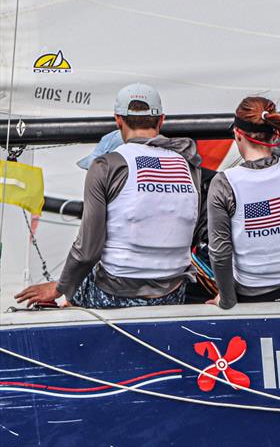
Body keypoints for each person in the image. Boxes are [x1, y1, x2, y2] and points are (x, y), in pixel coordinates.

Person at [15, 83, 202, 308]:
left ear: (118, 120)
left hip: (118, 294)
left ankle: (70, 315)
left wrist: (58, 288)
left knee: (79, 278)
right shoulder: (190, 165)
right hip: (173, 292)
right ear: (161, 120)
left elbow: (87, 251)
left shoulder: (105, 165)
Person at [206, 97, 280, 308]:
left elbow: (220, 252)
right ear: (275, 133)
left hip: (253, 296)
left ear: (238, 134)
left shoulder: (223, 183)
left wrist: (227, 301)